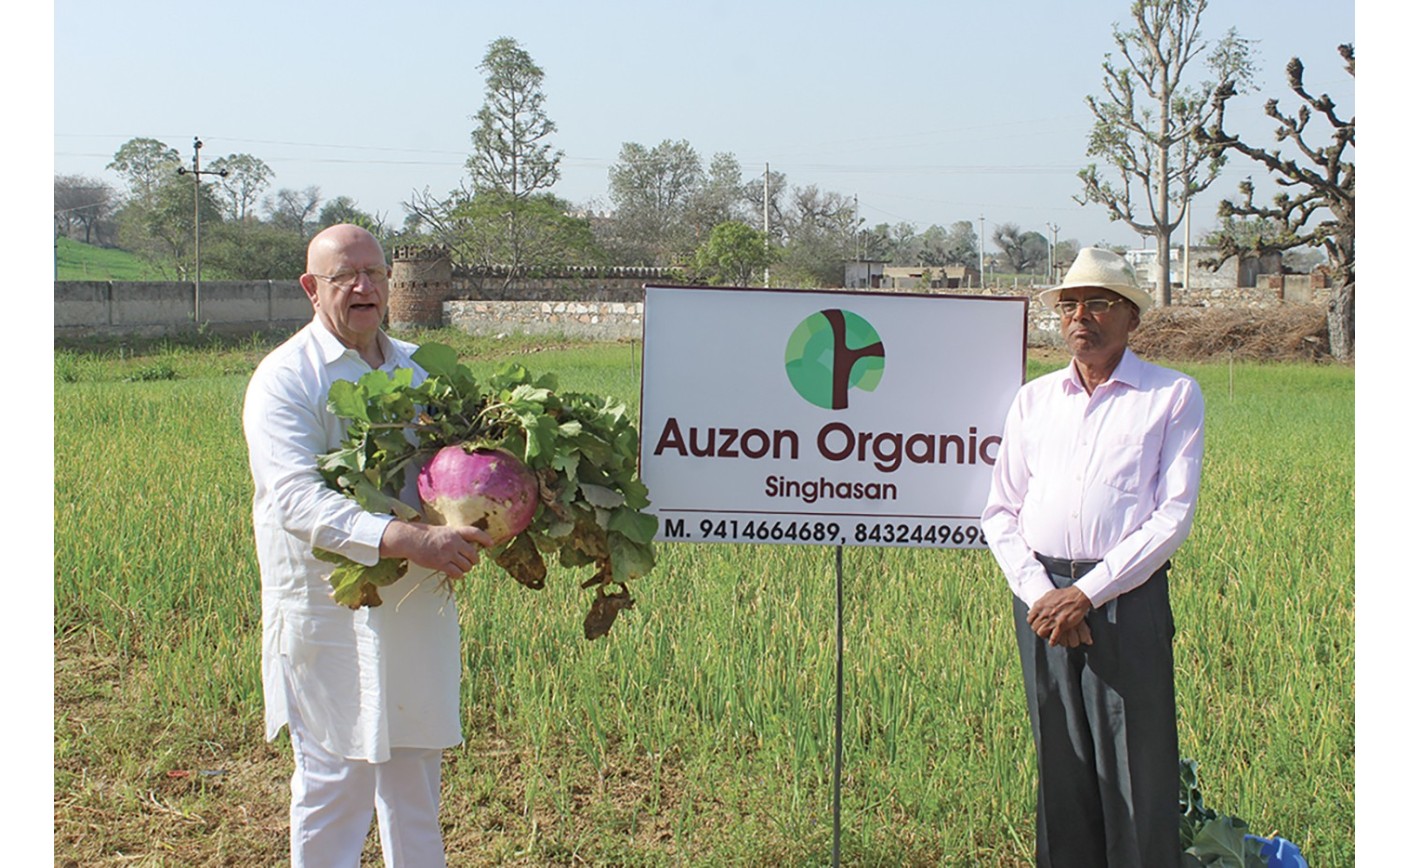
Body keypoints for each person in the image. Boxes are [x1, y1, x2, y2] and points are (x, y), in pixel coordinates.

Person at [243, 223, 492, 866]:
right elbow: (295, 499)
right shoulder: (286, 378)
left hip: (414, 605)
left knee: (415, 782)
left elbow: (456, 473)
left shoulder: (418, 372)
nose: (364, 287)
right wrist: (408, 538)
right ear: (311, 287)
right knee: (335, 783)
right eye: (344, 276)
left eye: (375, 274)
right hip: (328, 607)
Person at [981, 247, 1206, 867]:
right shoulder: (1033, 400)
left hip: (1126, 600)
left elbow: (1172, 515)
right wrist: (1043, 594)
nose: (1083, 316)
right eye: (1071, 305)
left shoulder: (1171, 395)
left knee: (1138, 763)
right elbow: (1000, 512)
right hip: (1043, 603)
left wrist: (1089, 593)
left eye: (1100, 303)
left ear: (1131, 317)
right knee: (1062, 761)